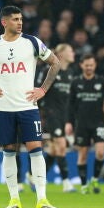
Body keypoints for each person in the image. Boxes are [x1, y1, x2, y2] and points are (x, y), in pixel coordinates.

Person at [0, 5, 60, 208]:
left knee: (36, 150)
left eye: (21, 19)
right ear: (4, 22)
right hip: (4, 108)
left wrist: (43, 89)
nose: (20, 22)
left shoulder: (32, 42)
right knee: (9, 152)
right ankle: (14, 199)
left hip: (28, 106)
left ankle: (42, 199)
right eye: (15, 19)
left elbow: (55, 63)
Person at [65, 53, 104, 194]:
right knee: (83, 155)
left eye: (91, 65)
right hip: (81, 123)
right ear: (81, 65)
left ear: (95, 65)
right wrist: (69, 122)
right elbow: (70, 105)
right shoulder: (75, 83)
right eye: (86, 65)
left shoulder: (102, 82)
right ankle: (84, 184)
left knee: (100, 152)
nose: (89, 68)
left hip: (98, 122)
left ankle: (95, 178)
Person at [36, 43, 76, 192]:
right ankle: (66, 183)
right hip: (52, 114)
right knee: (61, 145)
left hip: (64, 116)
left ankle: (36, 178)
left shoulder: (71, 73)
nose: (73, 53)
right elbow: (39, 90)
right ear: (62, 54)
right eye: (70, 50)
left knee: (53, 150)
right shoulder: (50, 70)